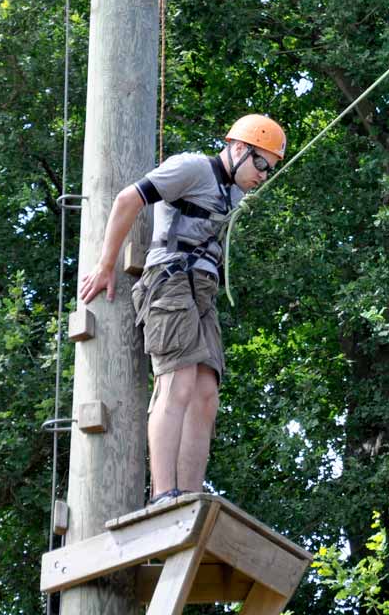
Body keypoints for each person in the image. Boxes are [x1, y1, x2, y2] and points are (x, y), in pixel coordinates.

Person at [78, 114, 286, 505]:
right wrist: (106, 265)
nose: (263, 175)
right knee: (178, 383)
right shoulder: (191, 168)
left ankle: (188, 495)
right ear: (239, 149)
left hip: (202, 291)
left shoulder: (236, 196)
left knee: (207, 392)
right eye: (261, 164)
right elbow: (128, 198)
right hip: (170, 281)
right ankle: (162, 493)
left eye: (270, 170)